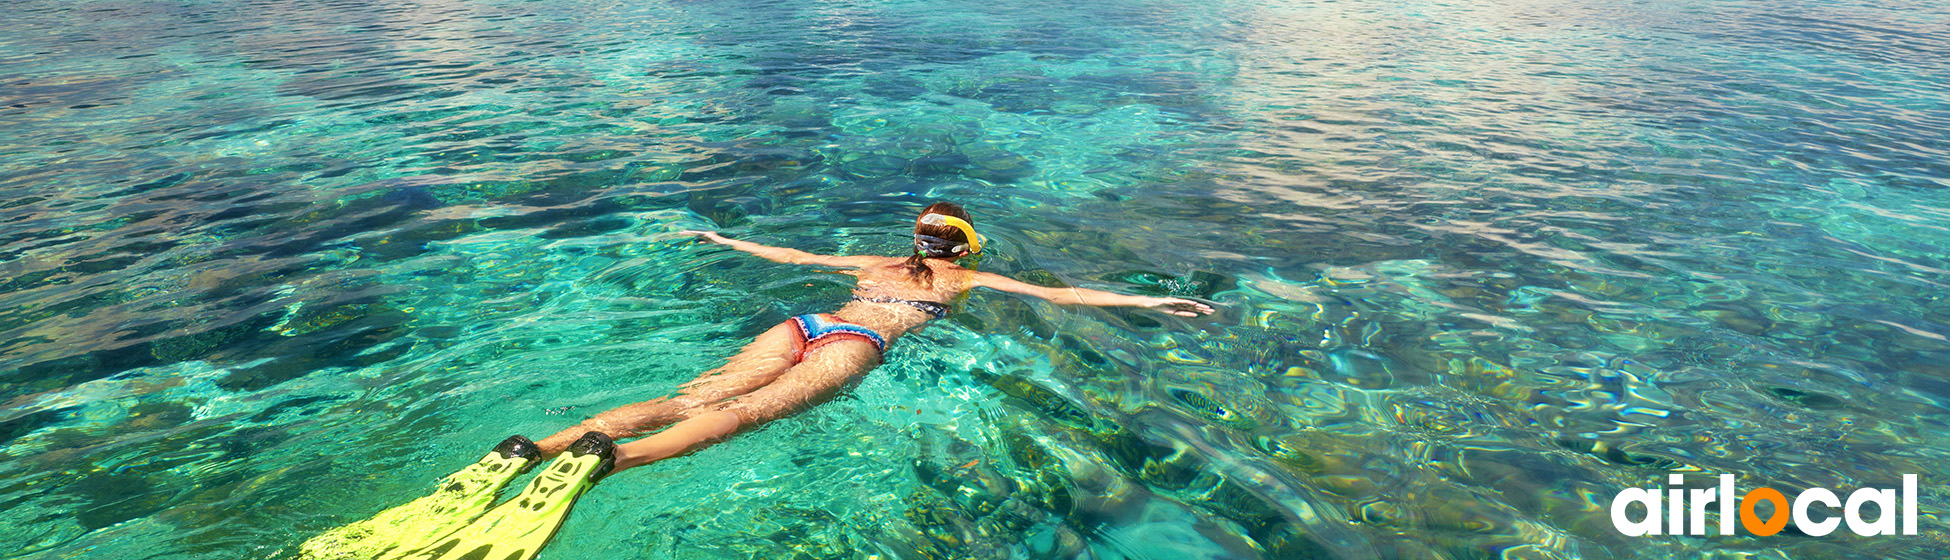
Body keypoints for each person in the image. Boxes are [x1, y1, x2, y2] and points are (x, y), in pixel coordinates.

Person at [300, 202, 1213, 560]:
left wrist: (720, 240)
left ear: (915, 241)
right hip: (854, 340)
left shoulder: (870, 254)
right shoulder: (967, 280)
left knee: (692, 392)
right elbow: (1063, 292)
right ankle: (598, 465)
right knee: (737, 420)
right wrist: (1155, 307)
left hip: (803, 319)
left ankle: (531, 447)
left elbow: (784, 250)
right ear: (965, 251)